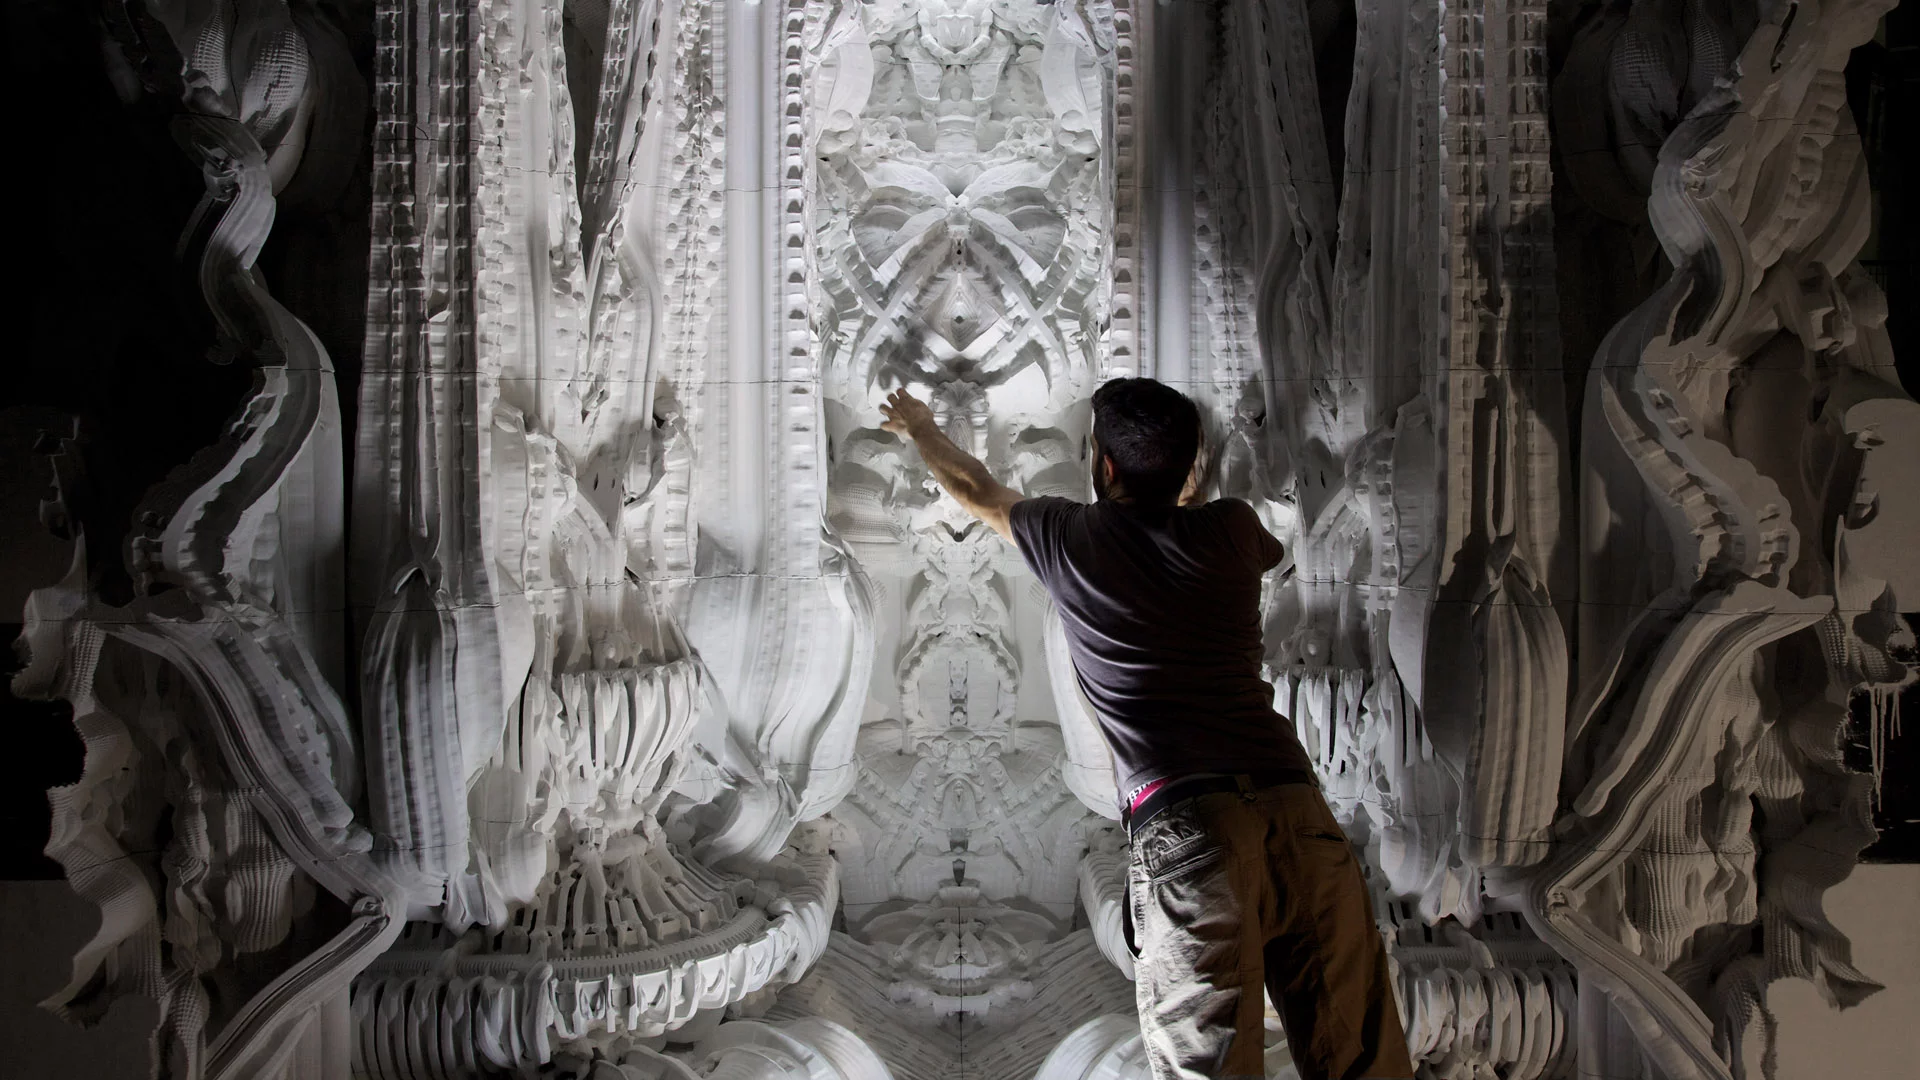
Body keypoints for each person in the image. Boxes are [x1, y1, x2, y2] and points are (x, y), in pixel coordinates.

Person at [879, 378, 1414, 1080]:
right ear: (1190, 467)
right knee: (1365, 1061)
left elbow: (976, 488)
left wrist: (919, 423)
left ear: (1101, 466)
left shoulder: (1070, 539)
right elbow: (1264, 553)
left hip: (1192, 827)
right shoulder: (1231, 531)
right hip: (1296, 809)